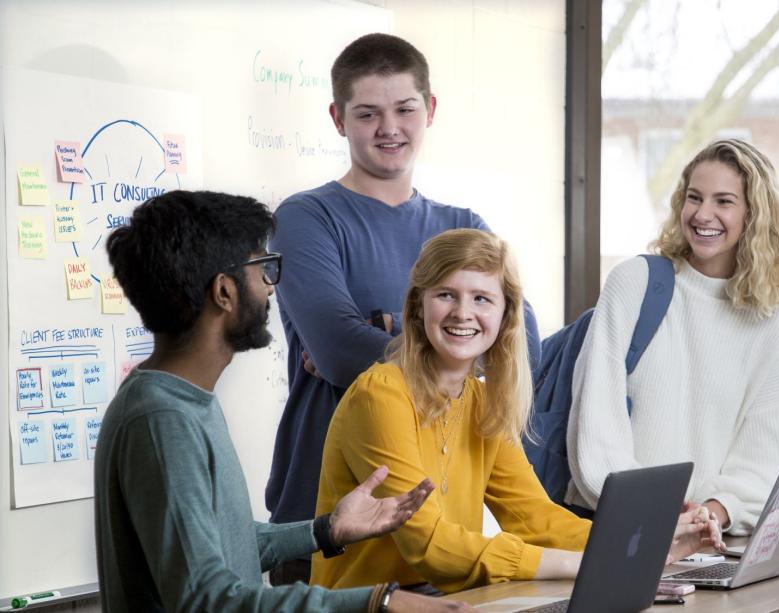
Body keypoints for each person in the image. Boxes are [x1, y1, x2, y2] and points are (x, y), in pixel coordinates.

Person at [96, 190, 469, 612]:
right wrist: (378, 603)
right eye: (263, 269)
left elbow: (225, 541)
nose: (272, 289)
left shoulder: (183, 400)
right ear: (224, 291)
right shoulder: (163, 418)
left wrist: (326, 530)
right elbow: (205, 599)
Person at [264, 33, 541, 584]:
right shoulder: (306, 218)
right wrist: (456, 346)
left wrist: (389, 329)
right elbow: (342, 352)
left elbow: (521, 344)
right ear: (338, 119)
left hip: (438, 531)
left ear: (430, 110)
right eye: (368, 113)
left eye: (404, 110)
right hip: (324, 526)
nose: (389, 128)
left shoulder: (462, 224)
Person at [310, 229, 723, 593]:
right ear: (418, 307)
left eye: (481, 298)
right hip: (366, 603)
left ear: (505, 314)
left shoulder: (484, 401)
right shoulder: (381, 394)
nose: (462, 312)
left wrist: (648, 539)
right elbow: (430, 546)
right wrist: (590, 564)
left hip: (446, 599)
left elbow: (535, 517)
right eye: (446, 295)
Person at [566, 139, 779, 535]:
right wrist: (655, 516)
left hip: (705, 541)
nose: (702, 214)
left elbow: (767, 462)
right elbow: (596, 423)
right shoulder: (635, 283)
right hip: (614, 530)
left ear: (754, 215)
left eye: (723, 201)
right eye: (694, 197)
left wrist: (710, 513)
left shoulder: (771, 328)